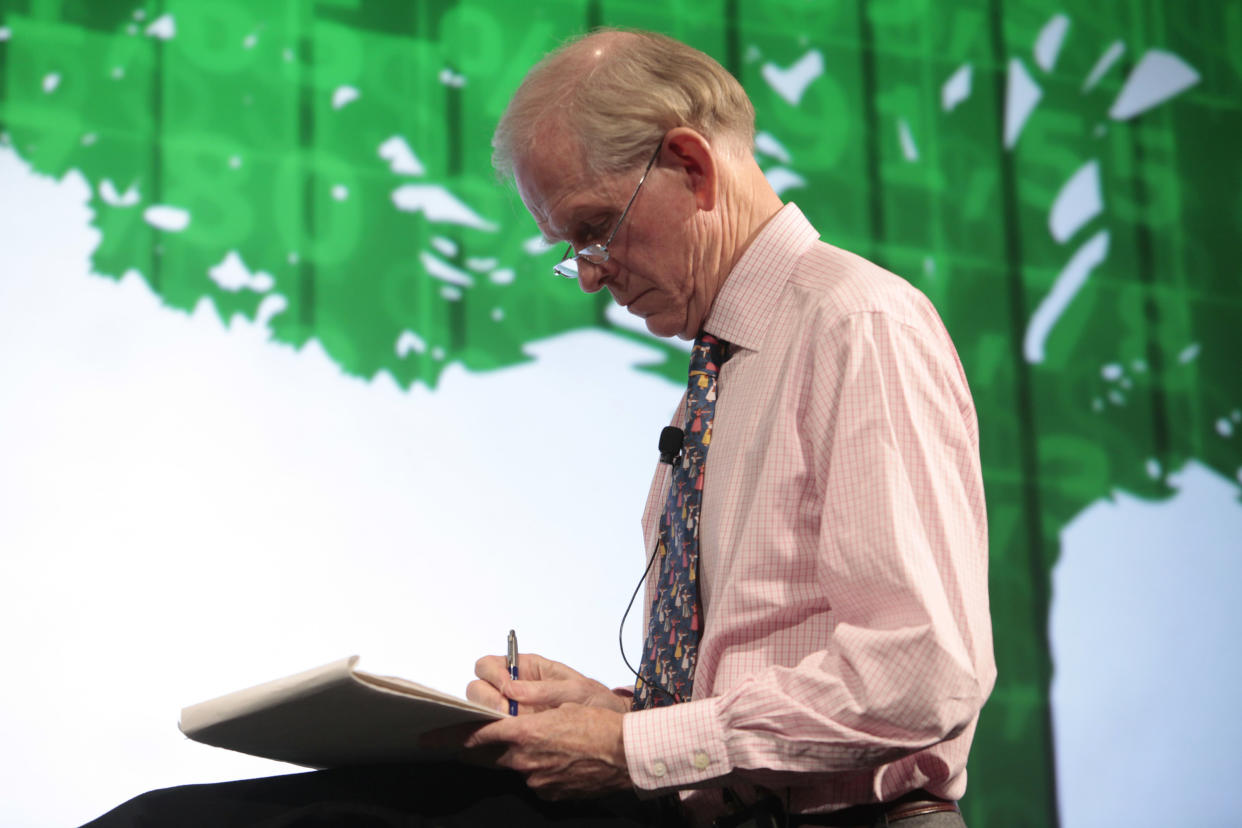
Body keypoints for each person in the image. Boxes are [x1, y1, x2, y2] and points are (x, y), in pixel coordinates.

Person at [83, 28, 993, 828]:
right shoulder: (724, 366)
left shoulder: (858, 324)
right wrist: (612, 714)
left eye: (597, 230)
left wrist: (637, 749)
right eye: (571, 251)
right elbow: (774, 671)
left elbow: (919, 678)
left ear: (691, 163)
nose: (592, 277)